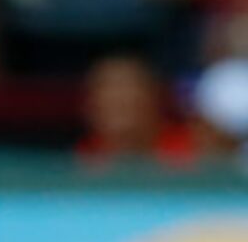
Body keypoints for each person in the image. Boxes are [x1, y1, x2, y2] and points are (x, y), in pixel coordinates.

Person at [73, 52, 202, 166]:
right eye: (107, 92)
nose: (119, 99)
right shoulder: (86, 157)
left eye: (129, 91)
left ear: (154, 98)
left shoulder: (194, 150)